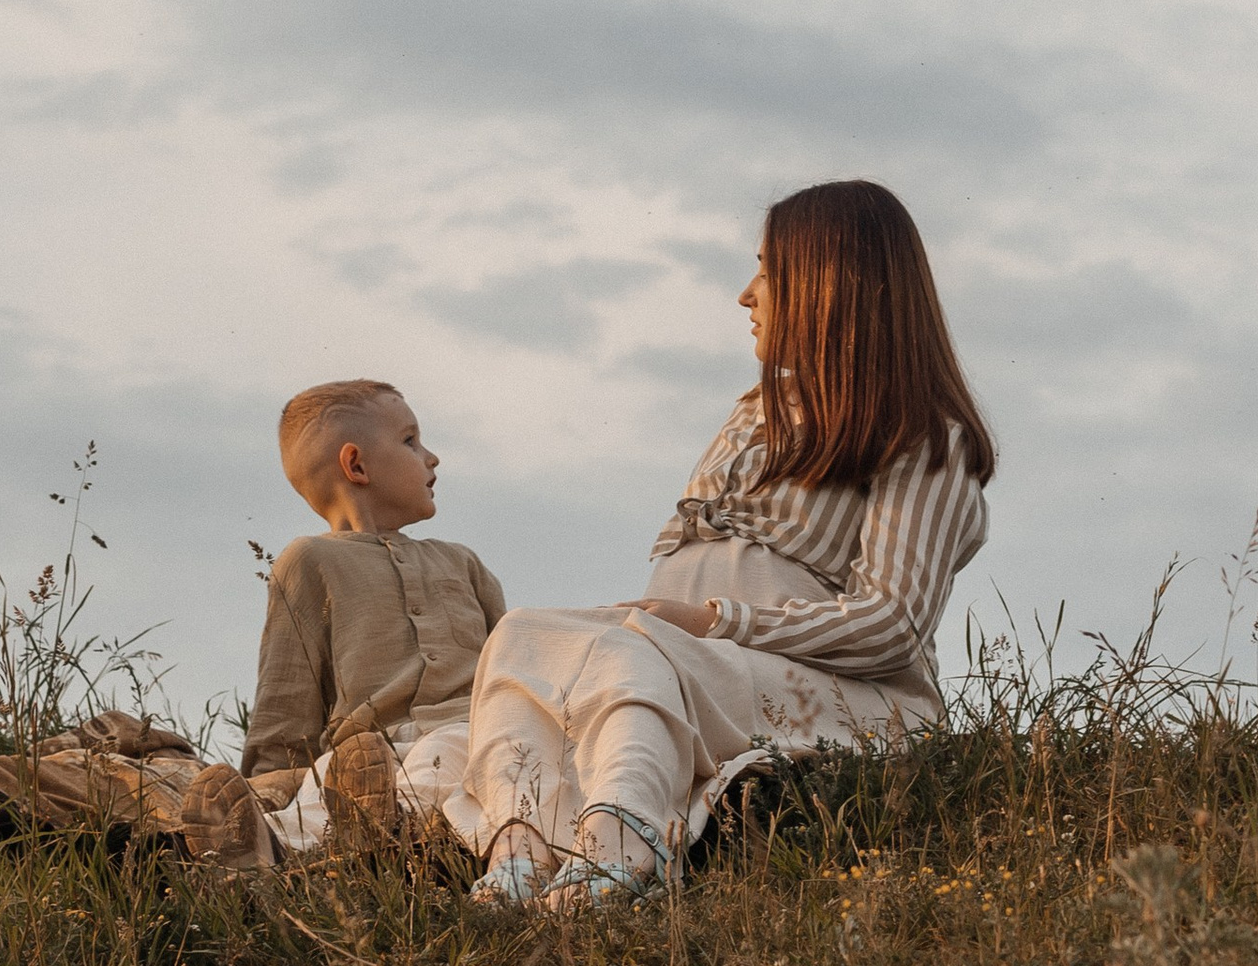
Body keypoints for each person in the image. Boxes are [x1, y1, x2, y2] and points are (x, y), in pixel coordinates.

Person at [453, 179, 994, 905]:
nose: (747, 294)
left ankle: (623, 850)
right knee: (524, 635)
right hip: (699, 667)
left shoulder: (924, 437)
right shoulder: (754, 415)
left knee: (631, 650)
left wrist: (714, 621)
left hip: (847, 697)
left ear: (828, 283)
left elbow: (892, 623)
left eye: (769, 269)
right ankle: (524, 854)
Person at [240, 379, 507, 855]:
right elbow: (286, 696)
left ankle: (370, 829)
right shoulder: (308, 560)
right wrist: (267, 783)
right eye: (410, 441)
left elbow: (510, 667)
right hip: (365, 754)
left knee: (447, 758)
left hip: (471, 733)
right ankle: (258, 843)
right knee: (317, 792)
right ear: (356, 465)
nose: (432, 457)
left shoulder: (461, 562)